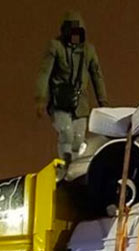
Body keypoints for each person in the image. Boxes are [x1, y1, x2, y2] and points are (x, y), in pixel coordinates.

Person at [35, 10, 108, 167]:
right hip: (59, 102)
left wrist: (103, 101)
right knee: (66, 134)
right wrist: (40, 99)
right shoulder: (55, 47)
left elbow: (97, 75)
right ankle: (64, 166)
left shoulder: (88, 51)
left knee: (78, 140)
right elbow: (44, 73)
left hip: (80, 103)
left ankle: (73, 169)